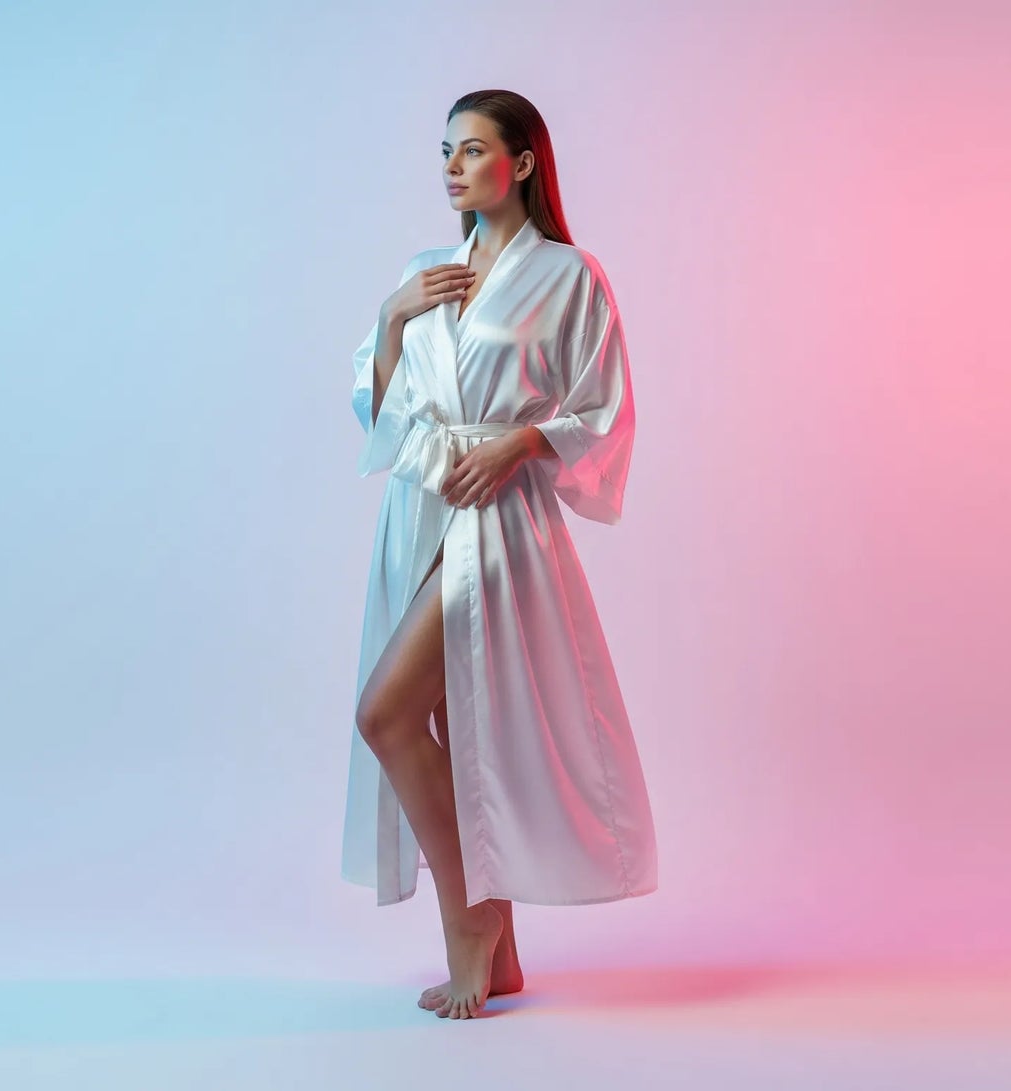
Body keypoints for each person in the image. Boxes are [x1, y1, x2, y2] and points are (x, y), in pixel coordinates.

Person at [344, 90, 659, 1020]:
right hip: (422, 511)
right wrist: (397, 317)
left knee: (387, 712)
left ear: (520, 162)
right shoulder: (425, 271)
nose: (451, 166)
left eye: (472, 150)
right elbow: (384, 412)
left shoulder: (569, 276)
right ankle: (499, 941)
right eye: (445, 150)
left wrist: (521, 442)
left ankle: (473, 919)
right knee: (420, 718)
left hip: (498, 522)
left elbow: (600, 405)